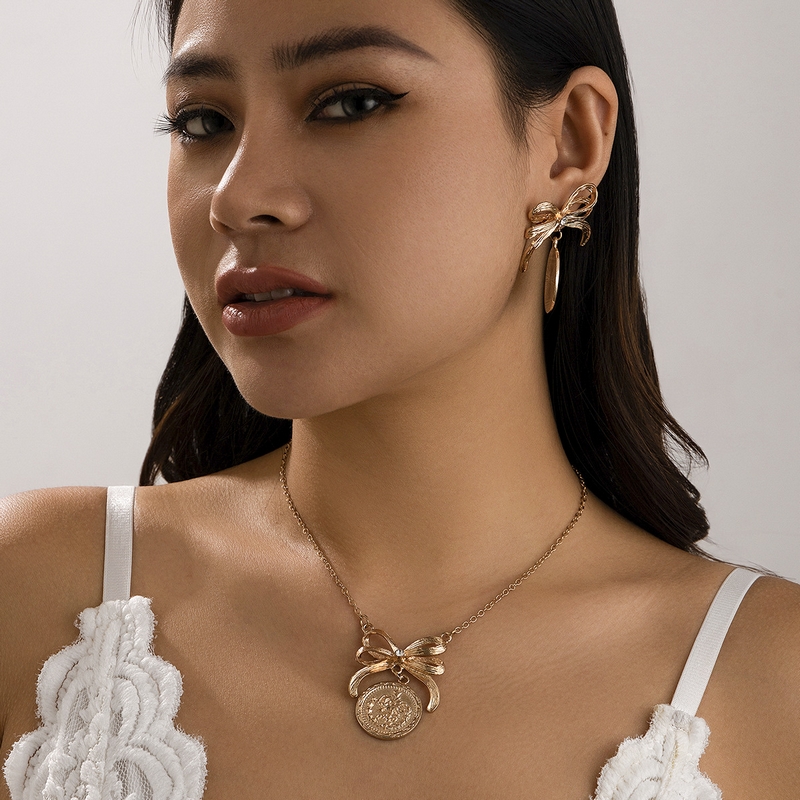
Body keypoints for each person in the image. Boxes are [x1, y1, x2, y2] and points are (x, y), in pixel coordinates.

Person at [1, 0, 798, 797]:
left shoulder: (769, 678)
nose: (237, 198)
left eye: (351, 103)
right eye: (203, 121)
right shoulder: (40, 592)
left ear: (568, 143)